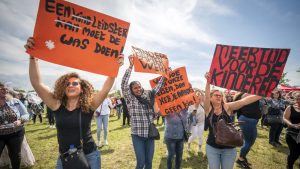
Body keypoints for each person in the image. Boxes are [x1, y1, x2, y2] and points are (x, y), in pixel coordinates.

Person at [25, 37, 124, 169]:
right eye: (67, 83)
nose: (71, 85)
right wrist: (33, 57)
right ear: (63, 87)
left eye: (75, 83)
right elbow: (37, 83)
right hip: (64, 158)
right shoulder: (56, 104)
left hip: (89, 156)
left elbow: (106, 88)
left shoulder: (89, 105)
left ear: (81, 88)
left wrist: (114, 66)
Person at [203, 72, 261, 169]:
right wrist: (208, 82)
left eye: (220, 95)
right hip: (212, 147)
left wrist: (262, 94)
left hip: (229, 147)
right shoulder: (208, 109)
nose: (219, 97)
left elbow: (244, 101)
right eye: (216, 95)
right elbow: (206, 97)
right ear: (211, 97)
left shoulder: (227, 107)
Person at [121, 55, 165, 169]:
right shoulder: (130, 99)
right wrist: (130, 67)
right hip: (138, 136)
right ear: (131, 90)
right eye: (135, 88)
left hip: (150, 135)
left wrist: (164, 75)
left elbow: (157, 88)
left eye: (139, 87)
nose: (138, 89)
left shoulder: (148, 97)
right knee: (141, 163)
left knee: (149, 162)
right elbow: (123, 84)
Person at [0, 83, 29, 169]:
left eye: (5, 89)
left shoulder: (15, 101)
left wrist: (20, 120)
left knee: (15, 155)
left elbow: (26, 114)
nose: (4, 90)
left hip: (16, 132)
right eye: (1, 89)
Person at [234, 92, 262, 169]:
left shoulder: (247, 94)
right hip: (247, 120)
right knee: (248, 142)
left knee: (251, 141)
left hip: (250, 120)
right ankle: (240, 159)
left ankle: (243, 157)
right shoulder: (247, 94)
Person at [283, 92, 300, 169]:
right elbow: (285, 118)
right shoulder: (290, 107)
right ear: (296, 99)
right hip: (292, 133)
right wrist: (292, 125)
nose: (298, 99)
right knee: (294, 153)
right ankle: (289, 166)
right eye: (298, 97)